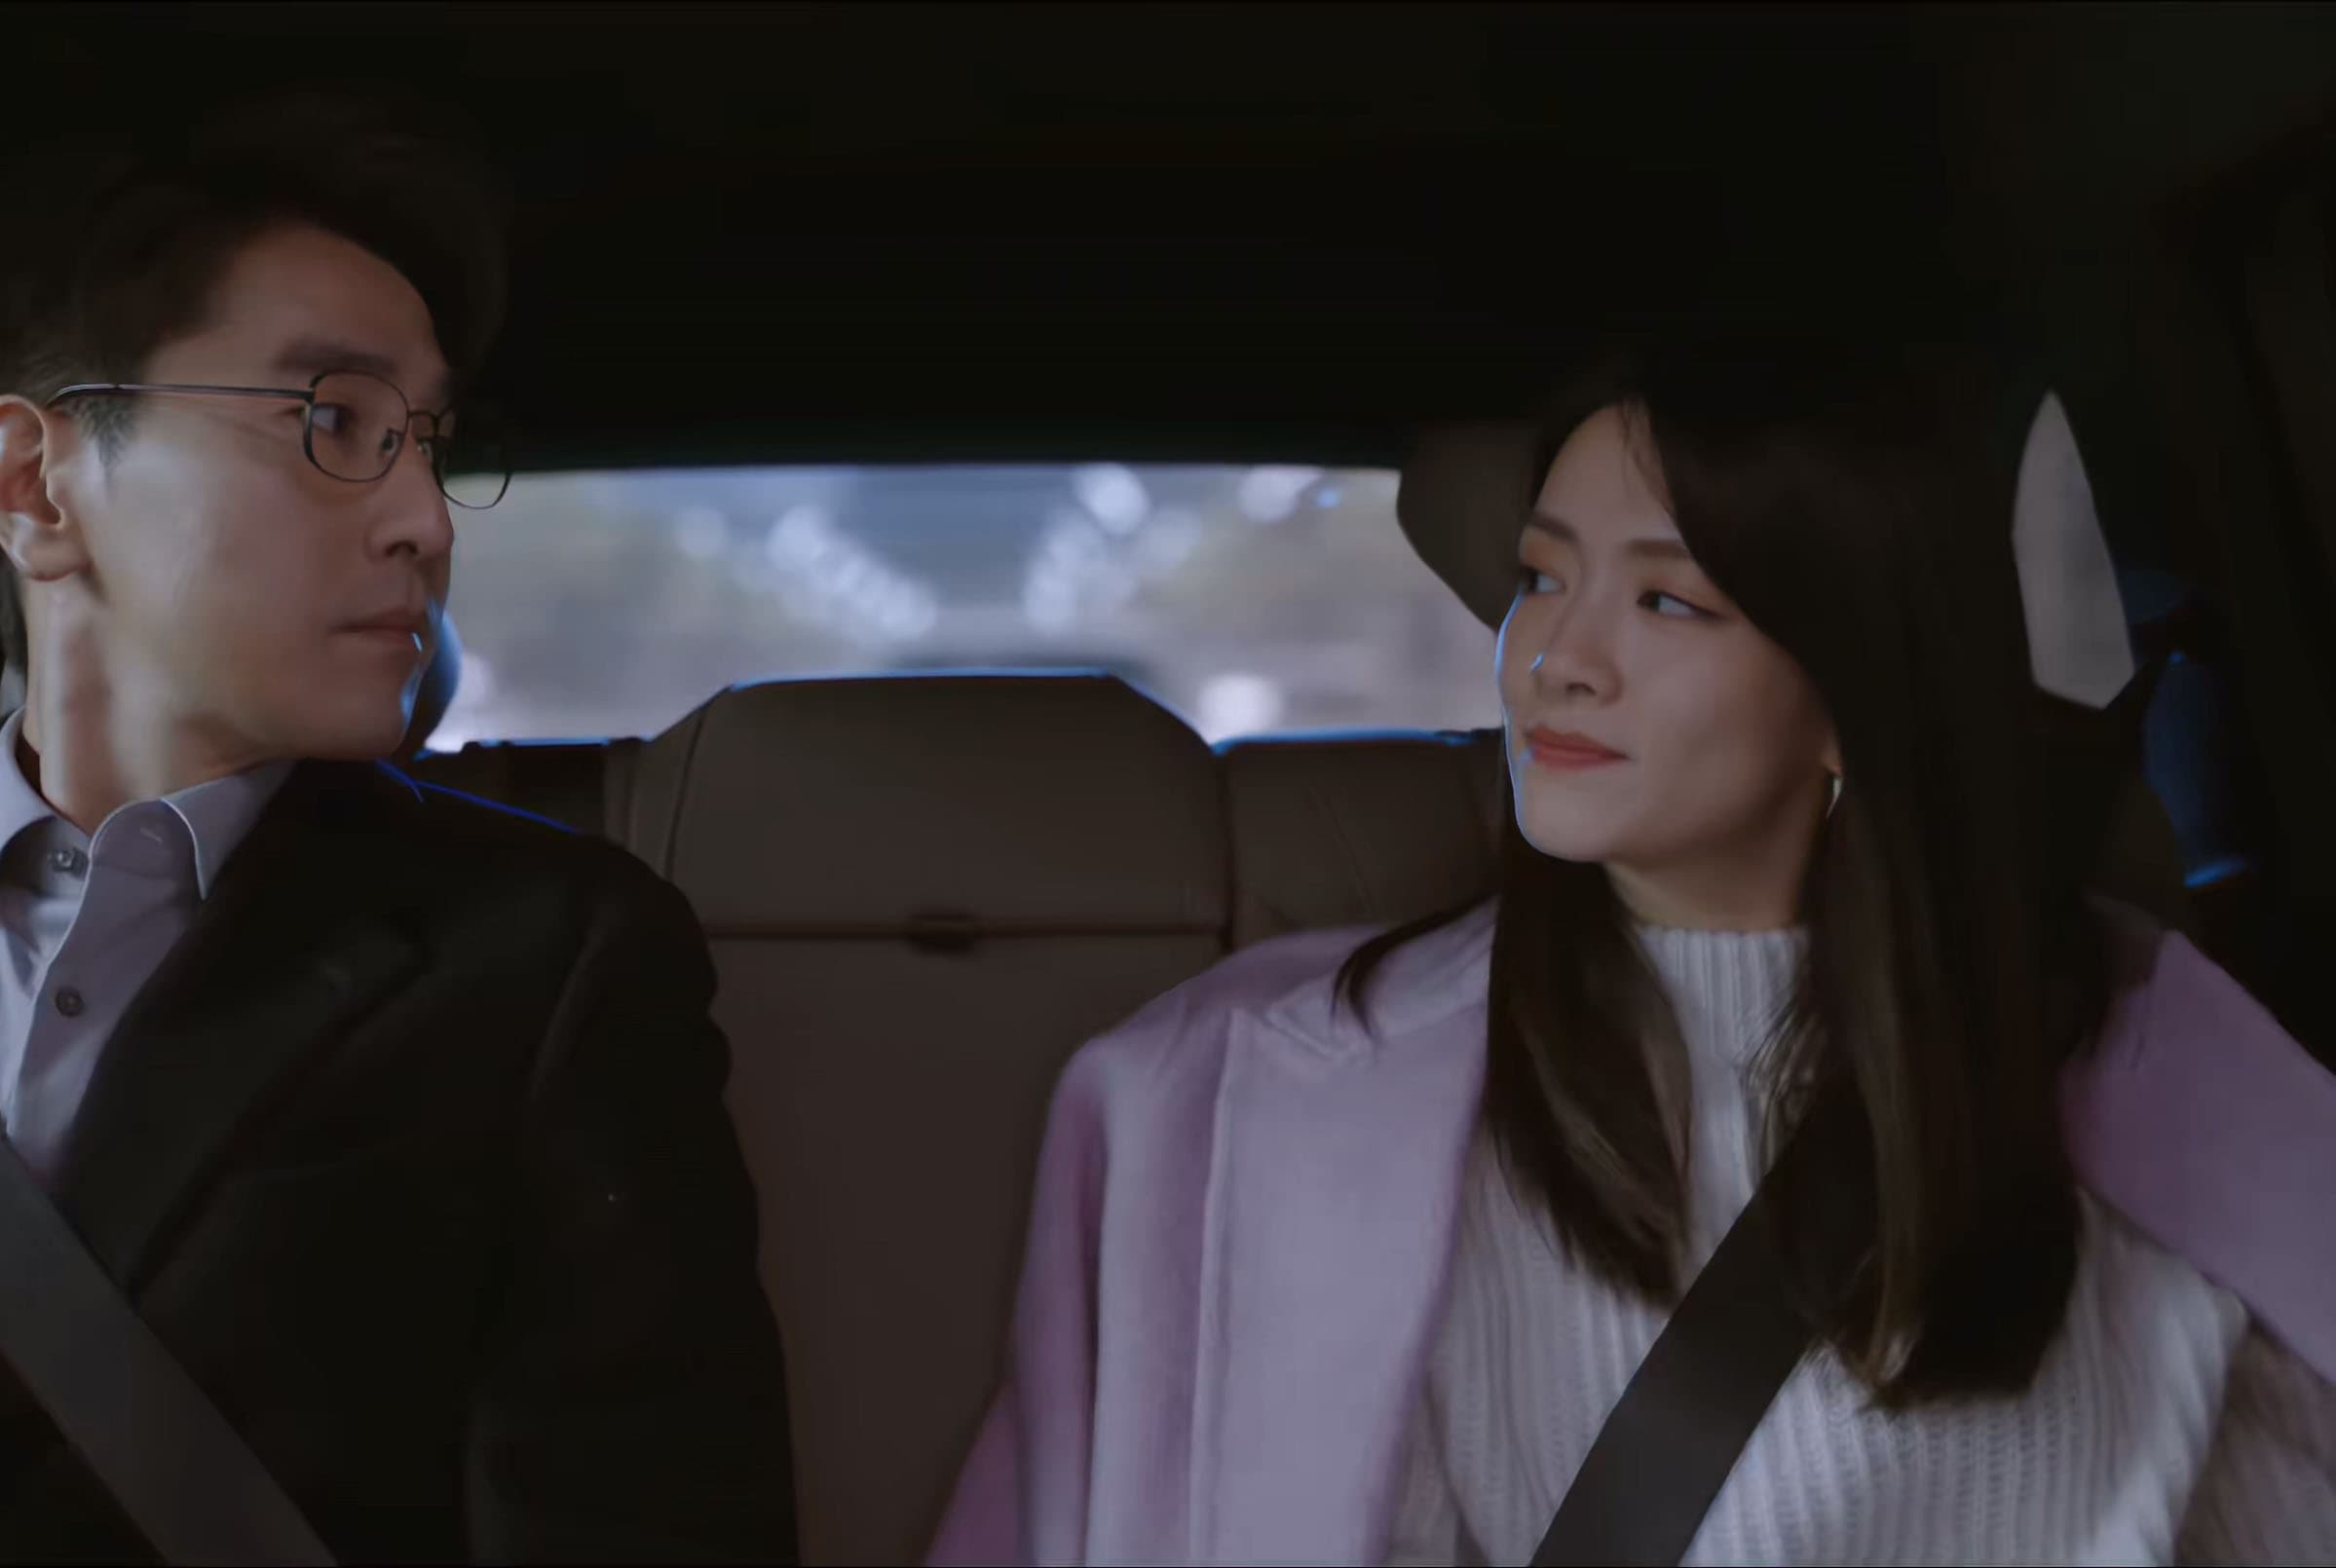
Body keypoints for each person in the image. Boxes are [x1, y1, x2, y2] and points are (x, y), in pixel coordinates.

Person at [0, 90, 797, 1563]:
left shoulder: (551, 963)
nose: (427, 518)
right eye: (333, 422)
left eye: (428, 442)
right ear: (35, 486)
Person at [929, 335, 2336, 1565]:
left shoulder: (2160, 1076)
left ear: (1853, 698)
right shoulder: (1250, 1093)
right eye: (1543, 577)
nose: (1557, 657)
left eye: (1666, 601)